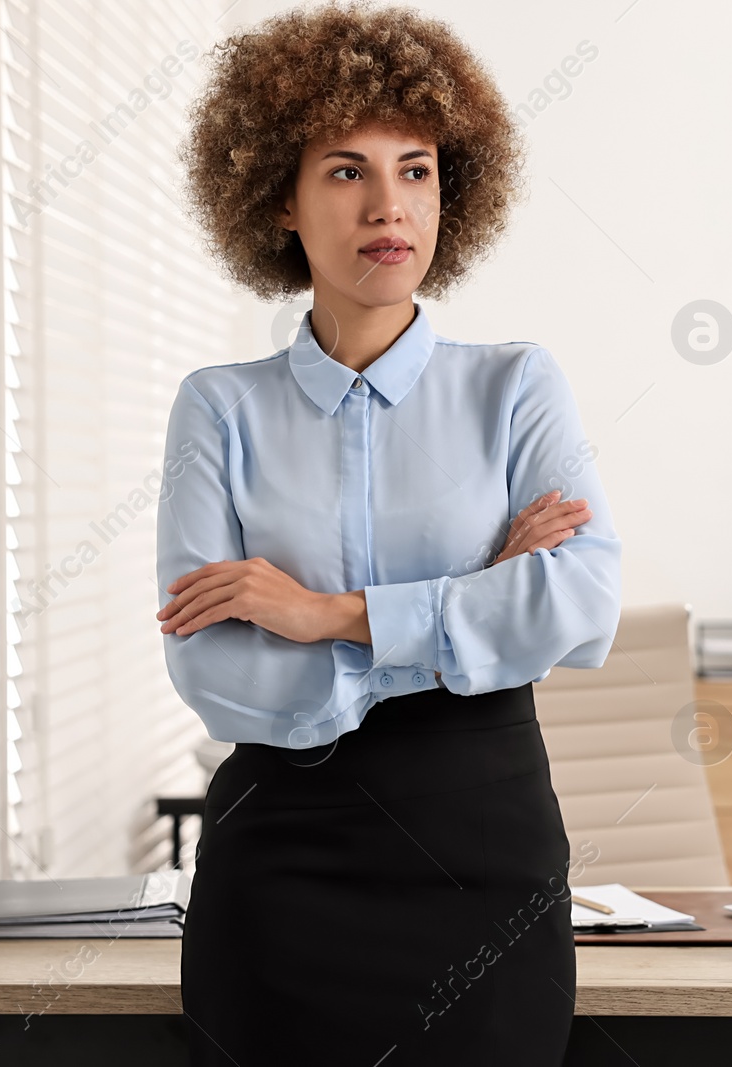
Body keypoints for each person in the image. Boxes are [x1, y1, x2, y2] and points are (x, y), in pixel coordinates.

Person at [156, 4, 622, 1064]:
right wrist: (466, 610)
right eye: (344, 170)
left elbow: (584, 602)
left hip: (484, 845)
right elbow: (217, 673)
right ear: (278, 193)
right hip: (283, 862)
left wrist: (331, 616)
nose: (387, 205)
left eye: (416, 170)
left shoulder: (515, 386)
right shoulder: (218, 408)